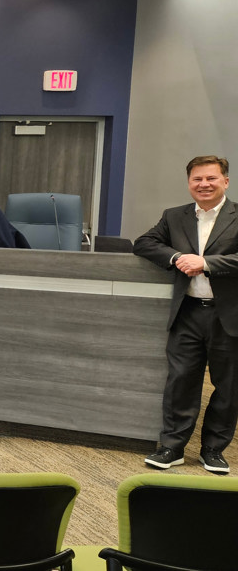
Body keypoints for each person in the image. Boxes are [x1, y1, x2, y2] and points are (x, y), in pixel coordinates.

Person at [134, 155, 238, 474]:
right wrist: (178, 256)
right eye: (197, 179)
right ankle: (173, 447)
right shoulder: (174, 216)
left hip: (229, 316)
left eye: (210, 178)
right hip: (188, 312)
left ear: (225, 181)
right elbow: (144, 243)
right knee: (181, 382)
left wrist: (205, 263)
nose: (203, 184)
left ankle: (212, 450)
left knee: (228, 385)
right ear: (189, 183)